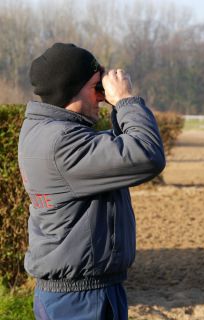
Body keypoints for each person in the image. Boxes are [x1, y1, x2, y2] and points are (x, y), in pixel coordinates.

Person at [18, 43, 165, 320]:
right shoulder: (61, 142)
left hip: (82, 292)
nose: (101, 96)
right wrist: (124, 101)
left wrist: (118, 107)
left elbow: (119, 154)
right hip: (79, 301)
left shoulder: (46, 132)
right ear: (71, 88)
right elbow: (146, 155)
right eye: (97, 87)